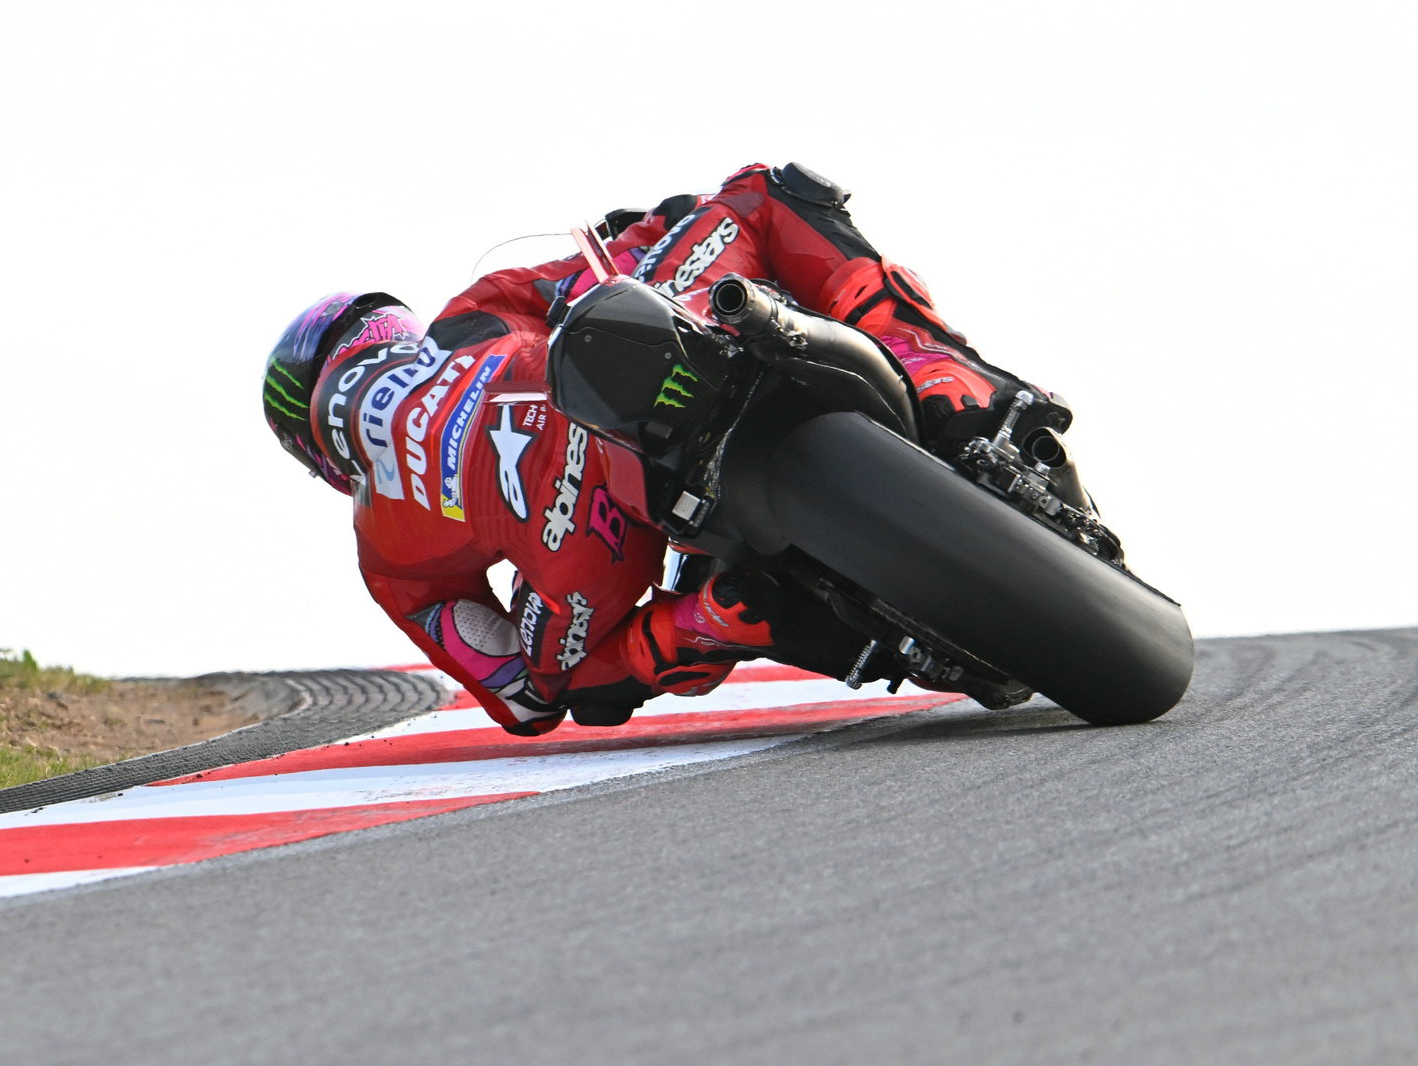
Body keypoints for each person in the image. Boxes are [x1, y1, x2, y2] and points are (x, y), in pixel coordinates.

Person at [263, 163, 1048, 735]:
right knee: (767, 192)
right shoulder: (470, 315)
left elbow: (519, 695)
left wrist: (610, 647)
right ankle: (929, 366)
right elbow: (608, 268)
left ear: (318, 452)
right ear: (383, 333)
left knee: (573, 681)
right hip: (629, 392)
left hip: (585, 552)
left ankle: (715, 618)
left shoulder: (384, 552)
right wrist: (658, 219)